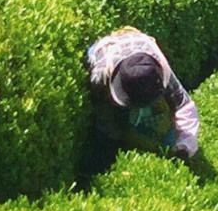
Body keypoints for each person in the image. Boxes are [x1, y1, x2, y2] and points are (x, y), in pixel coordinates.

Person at [85, 27, 199, 163]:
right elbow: (103, 116)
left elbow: (184, 106)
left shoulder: (157, 69)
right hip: (108, 48)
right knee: (108, 135)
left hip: (140, 45)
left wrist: (185, 146)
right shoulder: (100, 75)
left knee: (170, 137)